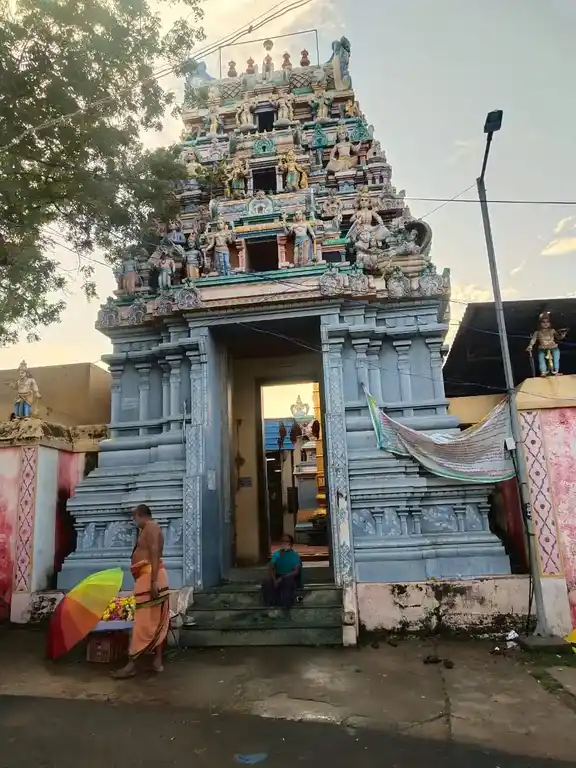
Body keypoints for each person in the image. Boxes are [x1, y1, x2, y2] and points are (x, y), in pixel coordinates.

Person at [112, 504, 170, 678]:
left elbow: (154, 553)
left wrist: (152, 582)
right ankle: (156, 662)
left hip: (152, 579)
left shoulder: (152, 527)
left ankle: (132, 665)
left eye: (134, 517)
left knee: (143, 624)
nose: (133, 520)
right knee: (156, 621)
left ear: (140, 515)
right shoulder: (148, 529)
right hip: (150, 578)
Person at [262, 535, 302, 610]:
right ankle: (269, 606)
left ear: (291, 544)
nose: (284, 543)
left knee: (287, 583)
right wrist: (274, 580)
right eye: (283, 541)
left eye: (287, 541)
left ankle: (286, 607)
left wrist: (283, 577)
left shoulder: (294, 556)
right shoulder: (277, 554)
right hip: (277, 576)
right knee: (267, 582)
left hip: (289, 577)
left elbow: (296, 571)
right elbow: (271, 568)